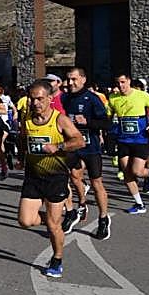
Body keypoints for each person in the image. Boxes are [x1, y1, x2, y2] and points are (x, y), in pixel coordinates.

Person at [17, 80, 86, 278]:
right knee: (25, 220)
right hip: (33, 176)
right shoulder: (28, 119)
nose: (35, 103)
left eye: (39, 99)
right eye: (32, 98)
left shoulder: (60, 120)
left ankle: (57, 259)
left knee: (53, 226)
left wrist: (59, 147)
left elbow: (79, 140)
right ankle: (58, 220)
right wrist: (21, 158)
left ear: (49, 99)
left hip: (56, 178)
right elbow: (24, 138)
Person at [58, 66, 111, 238]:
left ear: (83, 79)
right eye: (68, 79)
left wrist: (87, 121)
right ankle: (77, 207)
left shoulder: (92, 99)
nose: (70, 83)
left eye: (74, 79)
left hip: (91, 148)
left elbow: (106, 124)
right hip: (73, 146)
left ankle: (103, 219)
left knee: (96, 183)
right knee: (70, 176)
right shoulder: (64, 98)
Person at [107, 74, 149, 215]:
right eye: (118, 83)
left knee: (137, 171)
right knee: (127, 174)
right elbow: (108, 115)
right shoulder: (113, 98)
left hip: (140, 139)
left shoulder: (141, 95)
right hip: (123, 140)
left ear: (129, 81)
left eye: (123, 82)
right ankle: (139, 204)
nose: (121, 85)